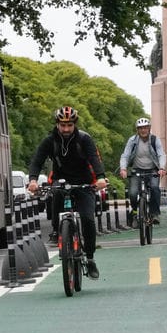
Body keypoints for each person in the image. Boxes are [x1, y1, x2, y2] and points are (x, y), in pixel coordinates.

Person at [26, 106, 108, 279]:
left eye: (69, 125)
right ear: (57, 124)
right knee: (56, 195)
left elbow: (94, 158)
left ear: (74, 124)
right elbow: (37, 161)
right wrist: (32, 180)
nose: (66, 129)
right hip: (61, 181)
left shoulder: (84, 139)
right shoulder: (50, 141)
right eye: (62, 125)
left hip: (84, 182)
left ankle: (90, 258)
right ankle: (57, 230)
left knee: (87, 219)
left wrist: (100, 178)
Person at [119, 117, 167, 224]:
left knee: (155, 188)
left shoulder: (155, 140)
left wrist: (162, 168)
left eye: (145, 128)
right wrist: (123, 169)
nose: (143, 130)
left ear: (149, 128)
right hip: (137, 170)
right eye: (140, 128)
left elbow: (161, 154)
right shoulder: (132, 141)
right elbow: (125, 155)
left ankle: (154, 214)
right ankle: (135, 211)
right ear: (137, 130)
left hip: (152, 170)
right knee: (133, 193)